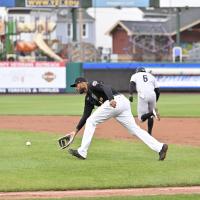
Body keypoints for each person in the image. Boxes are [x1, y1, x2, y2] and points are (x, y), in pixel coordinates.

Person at [66, 77, 168, 161]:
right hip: (121, 105)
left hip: (117, 100)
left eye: (76, 85)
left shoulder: (92, 84)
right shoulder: (88, 99)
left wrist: (111, 99)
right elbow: (85, 115)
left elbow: (107, 87)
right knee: (135, 130)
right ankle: (160, 147)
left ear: (83, 83)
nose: (76, 88)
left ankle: (82, 152)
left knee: (91, 121)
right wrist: (75, 131)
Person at [129, 67, 160, 135]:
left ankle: (152, 112)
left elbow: (132, 84)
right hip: (153, 95)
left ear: (137, 71)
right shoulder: (151, 76)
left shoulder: (135, 75)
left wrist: (131, 94)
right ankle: (149, 133)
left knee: (141, 119)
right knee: (150, 116)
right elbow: (157, 91)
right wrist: (155, 100)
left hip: (143, 95)